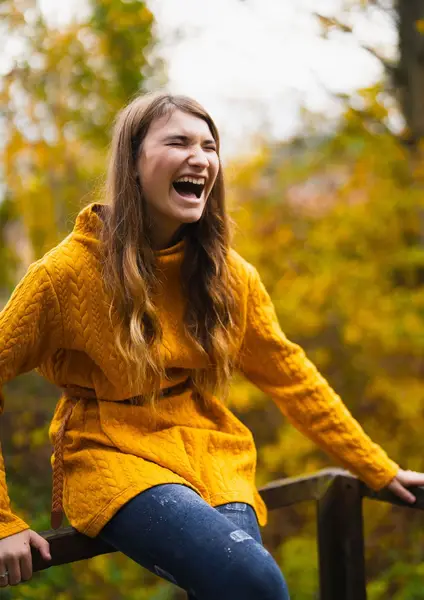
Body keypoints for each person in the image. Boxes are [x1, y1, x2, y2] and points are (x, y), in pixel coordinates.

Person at [0, 92, 423, 600]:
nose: (199, 157)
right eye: (178, 141)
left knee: (240, 582)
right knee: (254, 582)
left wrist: (376, 466)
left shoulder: (228, 274)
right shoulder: (64, 275)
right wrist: (2, 519)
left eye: (209, 145)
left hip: (210, 451)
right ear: (132, 164)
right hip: (111, 454)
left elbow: (290, 373)